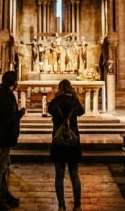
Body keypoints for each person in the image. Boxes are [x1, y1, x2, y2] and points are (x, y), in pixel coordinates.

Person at [0, 70, 26, 209]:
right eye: (16, 81)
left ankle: (4, 193)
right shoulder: (5, 96)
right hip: (2, 136)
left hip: (4, 136)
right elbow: (7, 118)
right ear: (13, 82)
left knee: (3, 167)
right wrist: (20, 114)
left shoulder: (2, 93)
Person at [47, 79, 85, 211]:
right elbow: (82, 111)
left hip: (58, 141)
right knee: (74, 174)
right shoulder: (74, 101)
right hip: (72, 139)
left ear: (59, 88)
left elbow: (49, 110)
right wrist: (75, 97)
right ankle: (77, 205)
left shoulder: (55, 101)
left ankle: (61, 205)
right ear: (70, 88)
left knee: (59, 174)